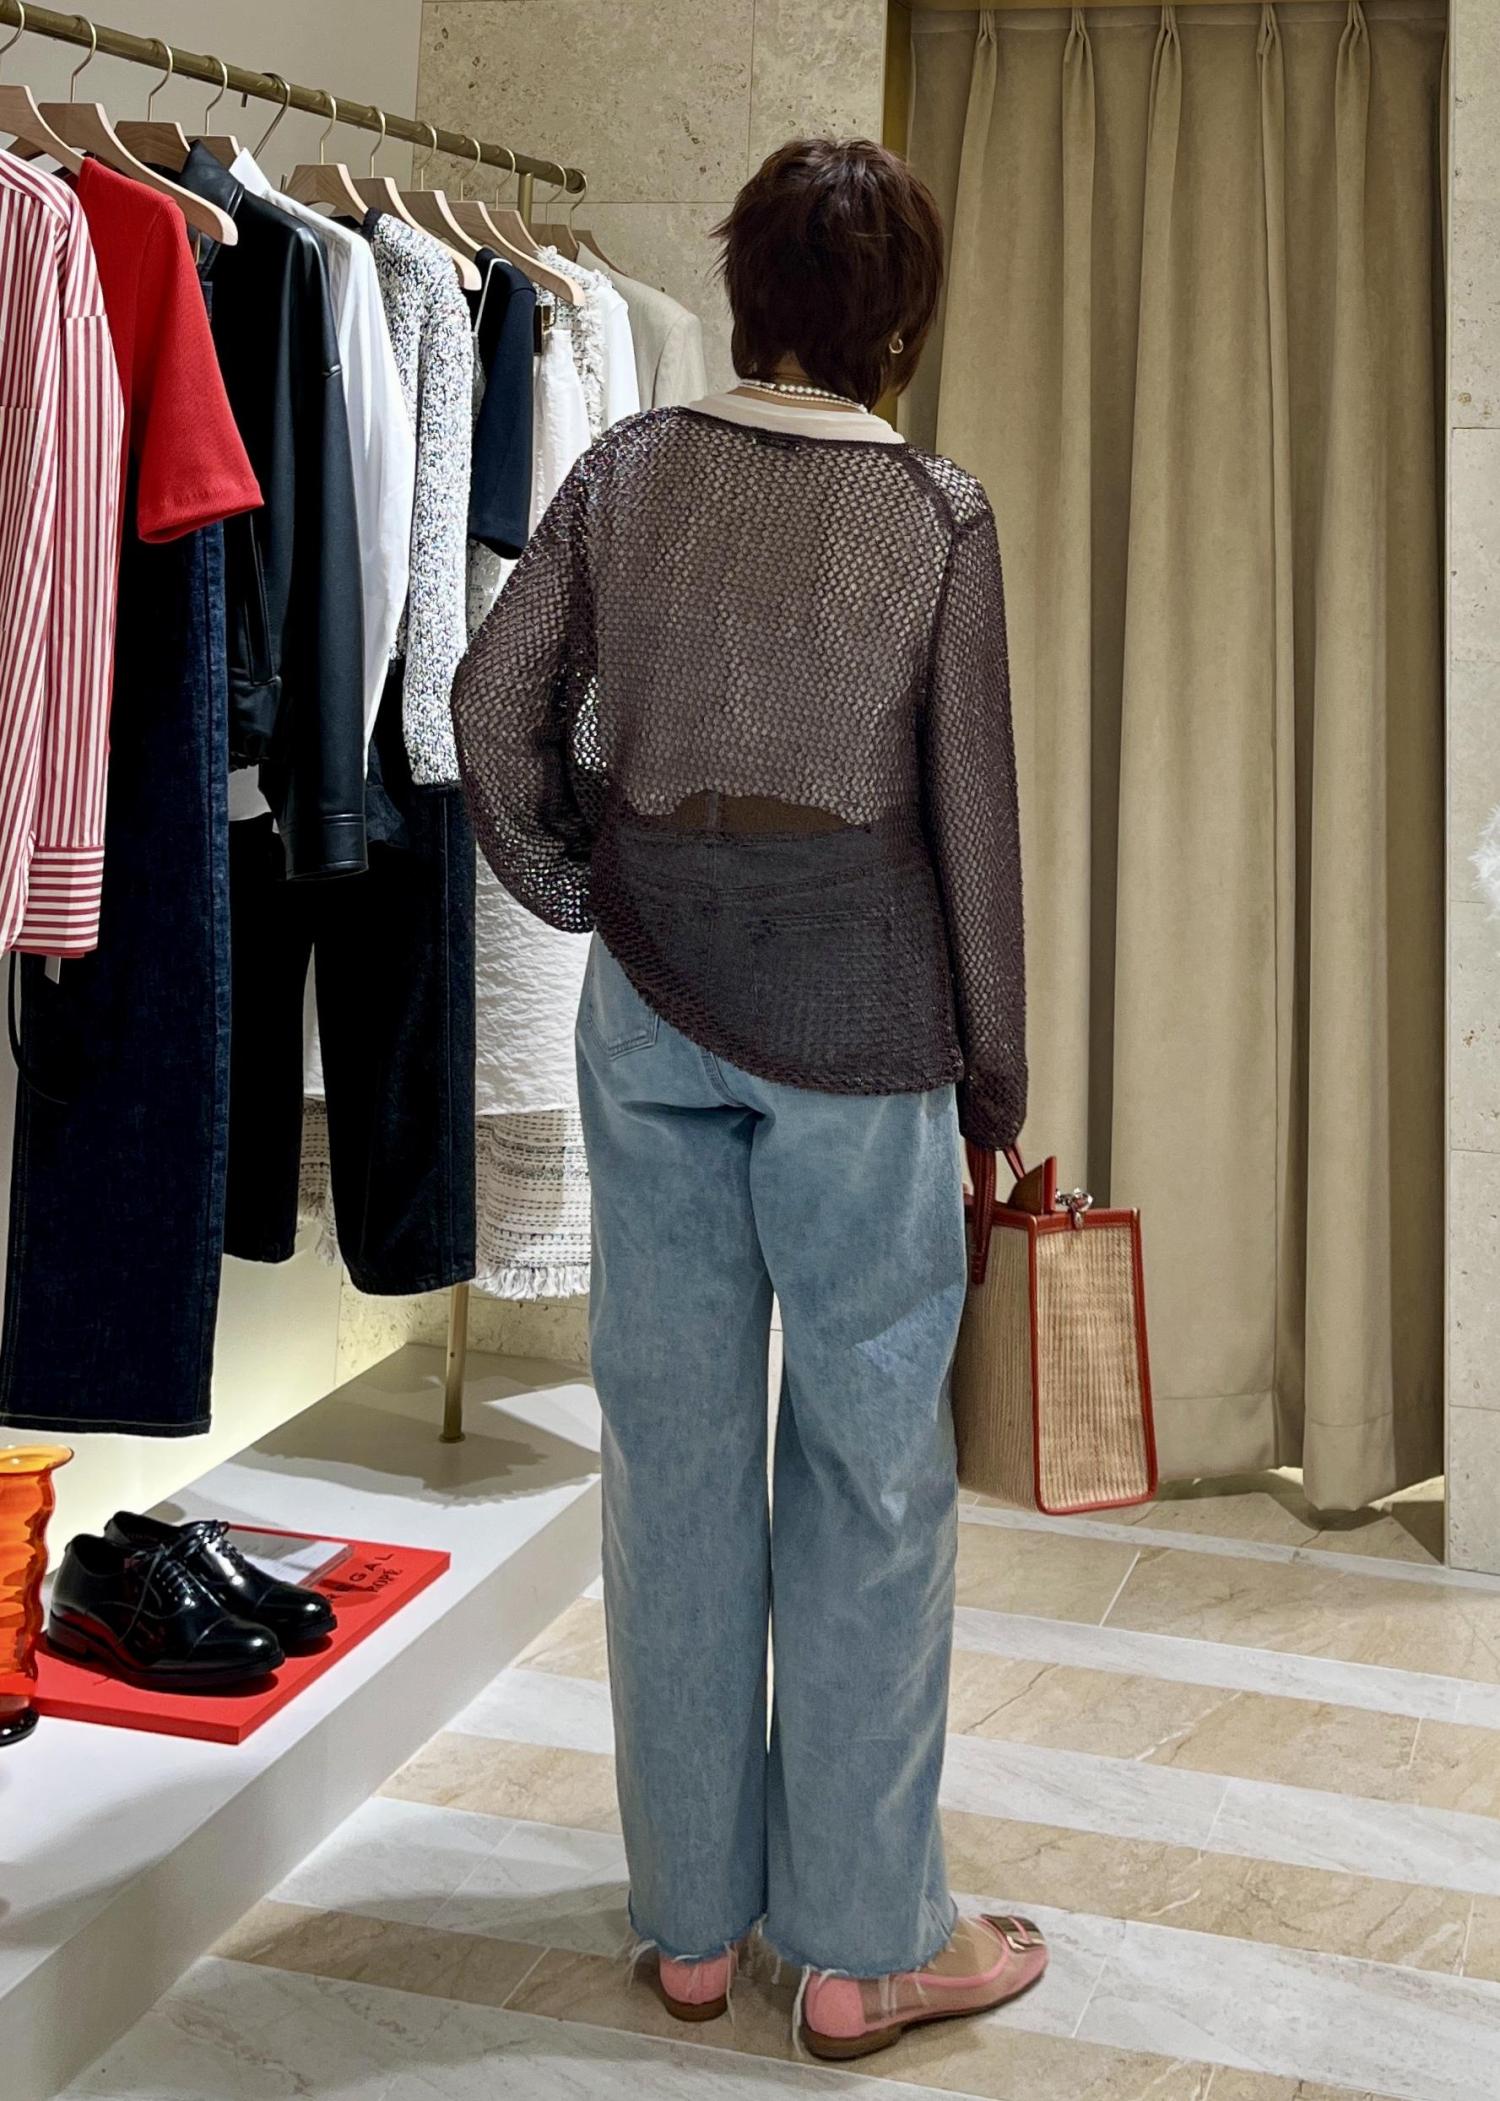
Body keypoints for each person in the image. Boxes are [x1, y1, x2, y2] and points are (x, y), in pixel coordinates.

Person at [451, 136, 1041, 2062]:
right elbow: (971, 824)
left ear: (744, 288)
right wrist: (996, 1078)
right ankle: (862, 1948)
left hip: (653, 1004)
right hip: (863, 1030)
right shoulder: (935, 514)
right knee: (868, 1476)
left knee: (674, 1455)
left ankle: (695, 1926)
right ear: (899, 321)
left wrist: (595, 879)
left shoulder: (630, 472)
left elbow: (488, 707)